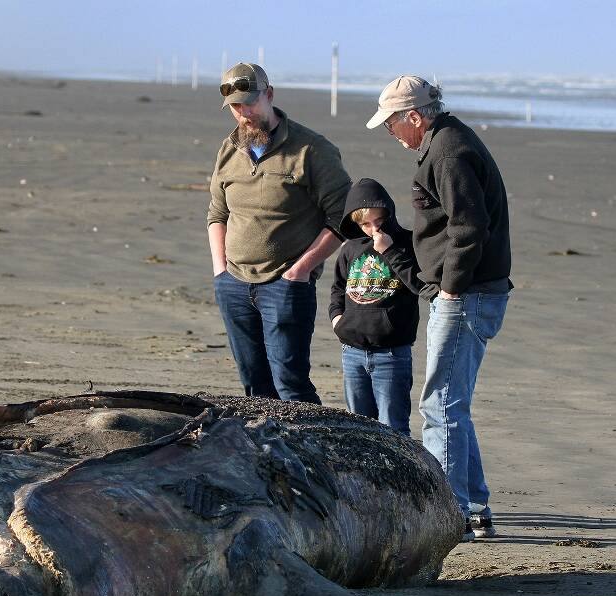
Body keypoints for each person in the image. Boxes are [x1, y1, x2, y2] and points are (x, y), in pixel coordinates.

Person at [367, 75, 512, 541]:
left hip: (467, 295)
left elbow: (470, 225)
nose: (391, 133)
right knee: (453, 403)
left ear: (414, 116)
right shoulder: (445, 142)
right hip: (470, 291)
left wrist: (450, 288)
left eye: (391, 123)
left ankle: (449, 515)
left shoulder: (447, 151)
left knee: (441, 404)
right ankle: (474, 507)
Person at [207, 62, 351, 403]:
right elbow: (217, 212)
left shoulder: (312, 150)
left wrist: (299, 271)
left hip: (285, 287)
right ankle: (268, 455)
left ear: (269, 95)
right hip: (234, 285)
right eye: (236, 107)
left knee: (291, 385)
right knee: (254, 386)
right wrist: (220, 271)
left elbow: (344, 217)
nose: (244, 113)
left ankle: (313, 454)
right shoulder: (229, 149)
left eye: (250, 103)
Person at [329, 178, 421, 437]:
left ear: (388, 214)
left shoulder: (407, 243)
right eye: (365, 224)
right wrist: (337, 319)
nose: (373, 229)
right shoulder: (350, 249)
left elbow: (419, 285)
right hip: (352, 351)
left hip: (391, 354)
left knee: (394, 428)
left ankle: (402, 477)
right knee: (358, 428)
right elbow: (338, 288)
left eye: (378, 222)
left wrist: (390, 252)